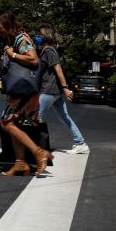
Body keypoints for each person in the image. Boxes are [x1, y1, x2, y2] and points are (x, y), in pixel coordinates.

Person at [0, 11, 54, 176]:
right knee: (14, 124)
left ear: (8, 24)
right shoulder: (13, 39)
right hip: (20, 90)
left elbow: (33, 59)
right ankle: (20, 163)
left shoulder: (21, 38)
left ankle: (38, 152)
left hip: (23, 91)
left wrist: (13, 54)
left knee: (6, 123)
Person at [36, 25, 89, 154]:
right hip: (54, 91)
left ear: (46, 37)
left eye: (40, 35)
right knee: (64, 117)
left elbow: (58, 69)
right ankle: (80, 143)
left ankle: (36, 147)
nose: (37, 37)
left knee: (35, 116)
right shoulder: (45, 51)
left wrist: (65, 88)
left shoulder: (49, 51)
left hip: (49, 89)